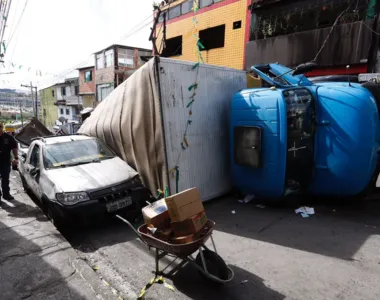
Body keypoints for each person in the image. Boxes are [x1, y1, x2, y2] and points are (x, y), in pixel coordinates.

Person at [0, 122, 18, 203]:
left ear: (2, 127)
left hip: (5, 162)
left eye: (0, 127)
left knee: (5, 179)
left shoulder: (8, 137)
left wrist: (16, 158)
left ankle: (6, 194)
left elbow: (14, 148)